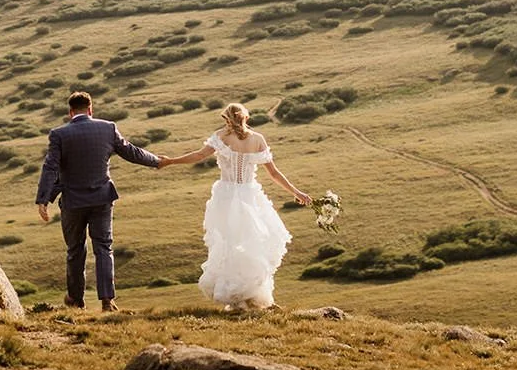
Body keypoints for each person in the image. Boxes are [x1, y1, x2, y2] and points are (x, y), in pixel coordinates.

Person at [158, 102, 311, 310]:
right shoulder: (258, 139)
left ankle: (244, 297)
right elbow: (274, 173)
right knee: (252, 244)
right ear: (246, 117)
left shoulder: (221, 137)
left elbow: (198, 155)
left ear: (226, 119)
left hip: (226, 196)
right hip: (250, 195)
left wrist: (171, 161)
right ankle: (248, 297)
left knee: (229, 244)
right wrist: (297, 192)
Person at [34, 90, 160, 311]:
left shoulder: (59, 135)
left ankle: (76, 300)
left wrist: (43, 199)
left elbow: (51, 167)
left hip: (73, 202)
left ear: (70, 112)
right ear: (91, 109)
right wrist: (156, 161)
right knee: (104, 247)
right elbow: (131, 152)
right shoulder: (108, 128)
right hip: (102, 198)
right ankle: (107, 301)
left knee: (75, 250)